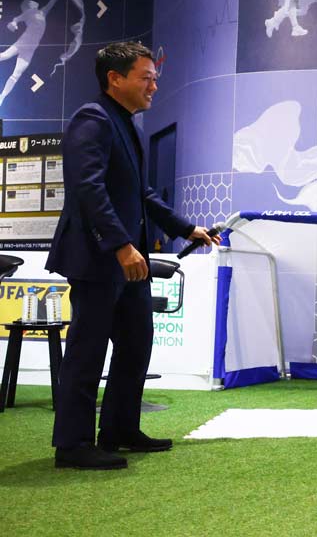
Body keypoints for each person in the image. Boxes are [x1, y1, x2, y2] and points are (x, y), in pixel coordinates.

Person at [46, 41, 219, 470]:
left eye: (155, 78)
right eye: (146, 77)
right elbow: (89, 189)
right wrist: (122, 245)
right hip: (98, 257)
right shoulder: (93, 119)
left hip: (128, 261)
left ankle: (120, 429)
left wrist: (184, 228)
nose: (154, 86)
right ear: (115, 79)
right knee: (87, 353)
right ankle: (73, 445)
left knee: (136, 344)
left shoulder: (127, 125)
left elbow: (139, 194)